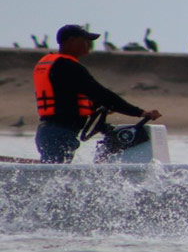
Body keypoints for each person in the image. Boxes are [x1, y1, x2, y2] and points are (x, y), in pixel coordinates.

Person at [32, 24, 162, 163]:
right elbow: (101, 93)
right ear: (70, 41)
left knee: (56, 171)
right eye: (85, 40)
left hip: (52, 132)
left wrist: (95, 106)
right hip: (59, 134)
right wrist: (141, 113)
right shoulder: (67, 66)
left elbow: (68, 95)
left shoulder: (57, 64)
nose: (89, 44)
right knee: (55, 175)